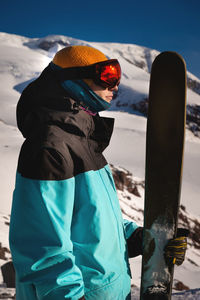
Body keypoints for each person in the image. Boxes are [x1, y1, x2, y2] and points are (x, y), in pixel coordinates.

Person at [9, 45, 188, 300]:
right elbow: (42, 249)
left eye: (117, 77)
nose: (115, 86)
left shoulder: (83, 142)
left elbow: (91, 223)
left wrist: (144, 240)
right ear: (71, 80)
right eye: (106, 76)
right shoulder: (49, 148)